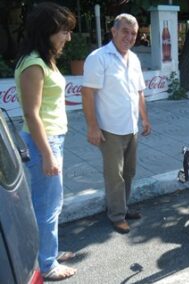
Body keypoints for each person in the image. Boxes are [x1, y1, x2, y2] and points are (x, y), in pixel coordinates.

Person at [14, 2, 77, 281]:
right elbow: (31, 114)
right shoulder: (34, 64)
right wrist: (48, 155)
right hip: (45, 143)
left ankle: (49, 249)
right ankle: (47, 264)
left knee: (51, 202)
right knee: (47, 205)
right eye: (64, 31)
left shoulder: (43, 60)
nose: (68, 37)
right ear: (47, 31)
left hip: (52, 139)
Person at [81, 13, 151, 234]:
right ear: (113, 32)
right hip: (109, 129)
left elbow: (139, 92)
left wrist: (145, 118)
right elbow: (87, 93)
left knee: (129, 172)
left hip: (131, 127)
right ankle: (117, 215)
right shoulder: (98, 57)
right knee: (115, 175)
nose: (129, 37)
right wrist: (92, 126)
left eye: (133, 33)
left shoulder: (134, 59)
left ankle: (122, 206)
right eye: (125, 31)